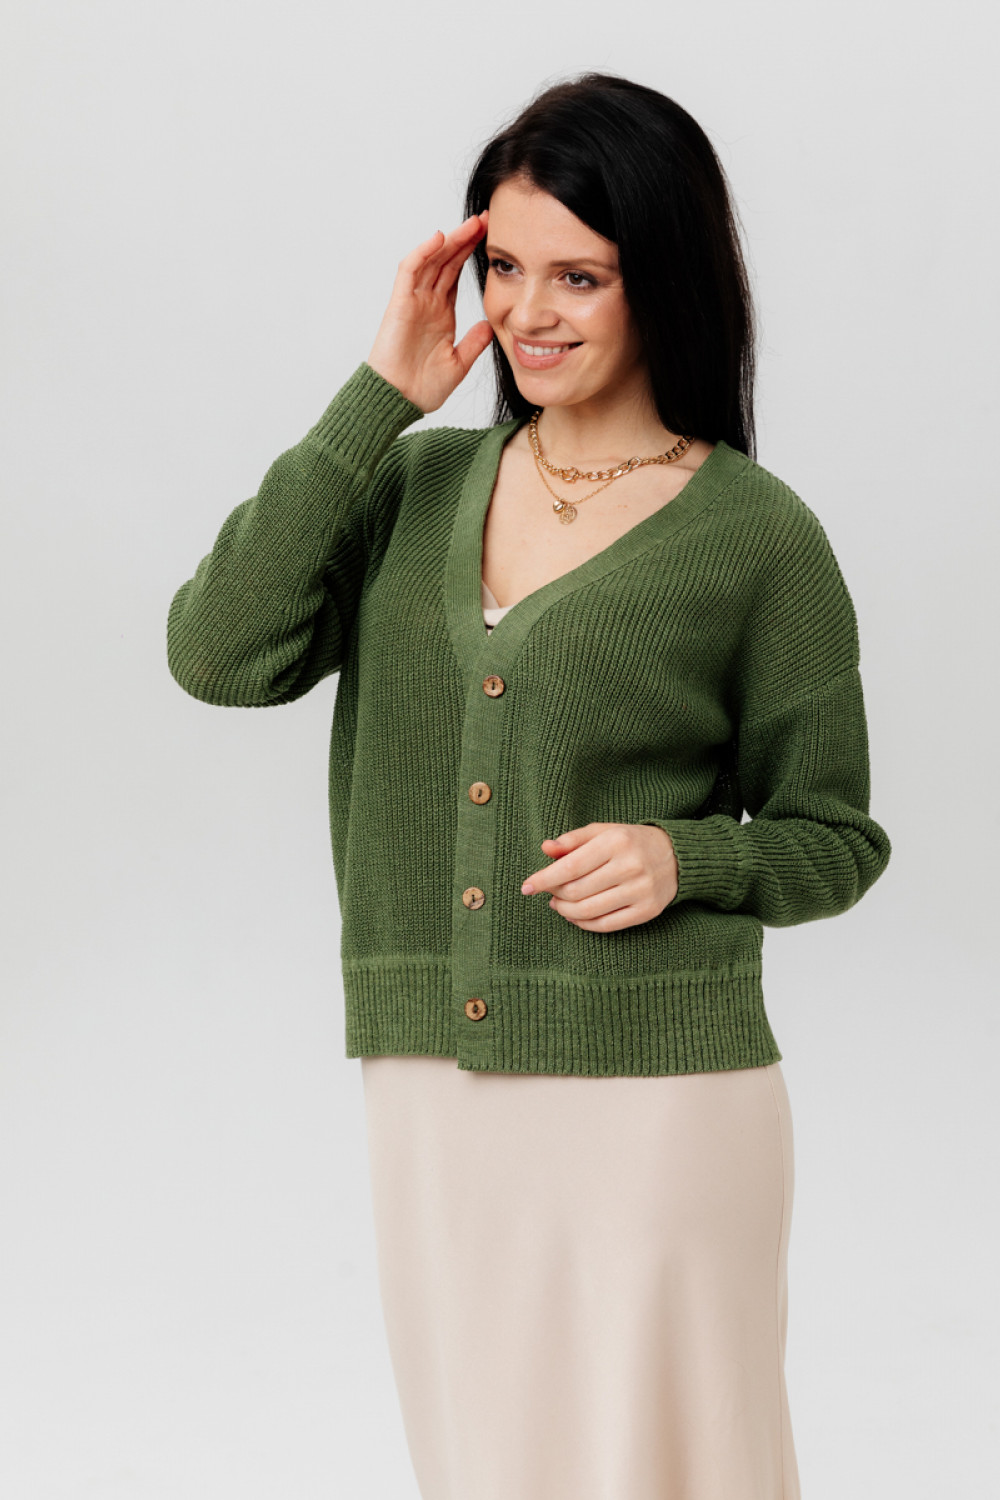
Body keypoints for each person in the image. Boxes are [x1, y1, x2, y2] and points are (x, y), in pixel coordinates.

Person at [167, 71, 891, 1500]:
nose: (529, 311)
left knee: (672, 1458)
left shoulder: (757, 537)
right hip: (434, 1085)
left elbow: (837, 837)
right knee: (487, 1465)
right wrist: (377, 402)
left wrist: (690, 860)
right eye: (504, 267)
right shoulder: (410, 491)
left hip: (665, 1090)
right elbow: (217, 654)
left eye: (580, 276)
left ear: (660, 279)